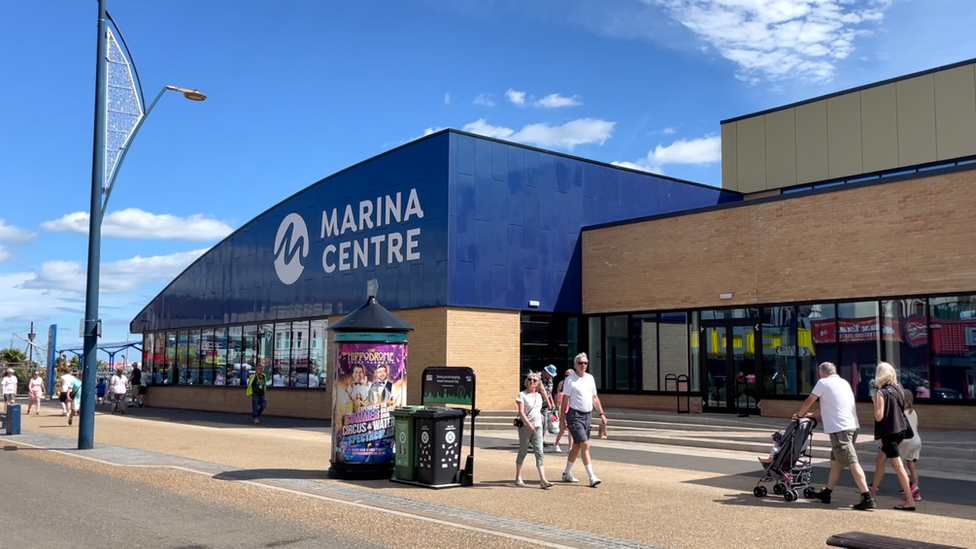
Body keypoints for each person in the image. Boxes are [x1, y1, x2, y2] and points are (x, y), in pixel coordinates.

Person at [794, 362, 875, 510]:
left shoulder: (823, 382)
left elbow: (808, 402)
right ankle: (827, 492)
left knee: (852, 461)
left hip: (839, 429)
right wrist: (813, 415)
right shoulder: (843, 383)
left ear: (822, 373)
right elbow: (828, 405)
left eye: (820, 374)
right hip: (851, 426)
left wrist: (799, 415)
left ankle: (866, 496)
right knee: (835, 462)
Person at [867, 362, 917, 511]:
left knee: (898, 465)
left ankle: (909, 499)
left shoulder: (880, 393)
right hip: (900, 430)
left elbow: (879, 416)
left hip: (889, 432)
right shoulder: (899, 389)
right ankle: (873, 492)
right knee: (880, 459)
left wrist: (875, 402)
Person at [560, 352, 607, 487]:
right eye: (580, 363)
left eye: (585, 363)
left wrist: (601, 414)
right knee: (585, 445)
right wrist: (562, 420)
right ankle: (592, 477)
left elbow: (594, 398)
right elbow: (564, 402)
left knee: (577, 445)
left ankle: (566, 473)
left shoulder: (590, 378)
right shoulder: (570, 380)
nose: (583, 365)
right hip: (575, 415)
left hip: (588, 415)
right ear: (575, 365)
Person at [515, 372, 552, 489]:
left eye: (534, 380)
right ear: (527, 382)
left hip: (538, 426)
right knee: (523, 451)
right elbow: (521, 412)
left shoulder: (539, 396)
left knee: (539, 452)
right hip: (526, 426)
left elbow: (543, 409)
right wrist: (529, 424)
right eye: (530, 379)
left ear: (537, 383)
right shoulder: (522, 395)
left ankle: (543, 479)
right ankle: (518, 476)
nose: (532, 381)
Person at [899, 389, 922, 501]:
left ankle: (908, 490)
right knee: (912, 466)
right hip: (916, 440)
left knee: (899, 466)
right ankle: (916, 492)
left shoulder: (901, 413)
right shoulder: (913, 412)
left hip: (906, 441)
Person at [550, 368, 575, 453]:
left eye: (570, 375)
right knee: (562, 429)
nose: (568, 377)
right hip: (563, 410)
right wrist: (560, 414)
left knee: (570, 430)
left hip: (572, 409)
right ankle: (556, 444)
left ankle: (571, 447)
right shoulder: (562, 389)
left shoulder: (575, 386)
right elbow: (559, 403)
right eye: (566, 375)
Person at [540, 365, 557, 446]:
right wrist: (549, 402)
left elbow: (549, 393)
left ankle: (540, 440)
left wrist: (552, 402)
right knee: (538, 423)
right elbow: (542, 391)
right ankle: (535, 440)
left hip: (545, 405)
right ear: (546, 371)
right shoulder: (538, 377)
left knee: (544, 423)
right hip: (537, 404)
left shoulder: (550, 379)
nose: (551, 376)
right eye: (550, 374)